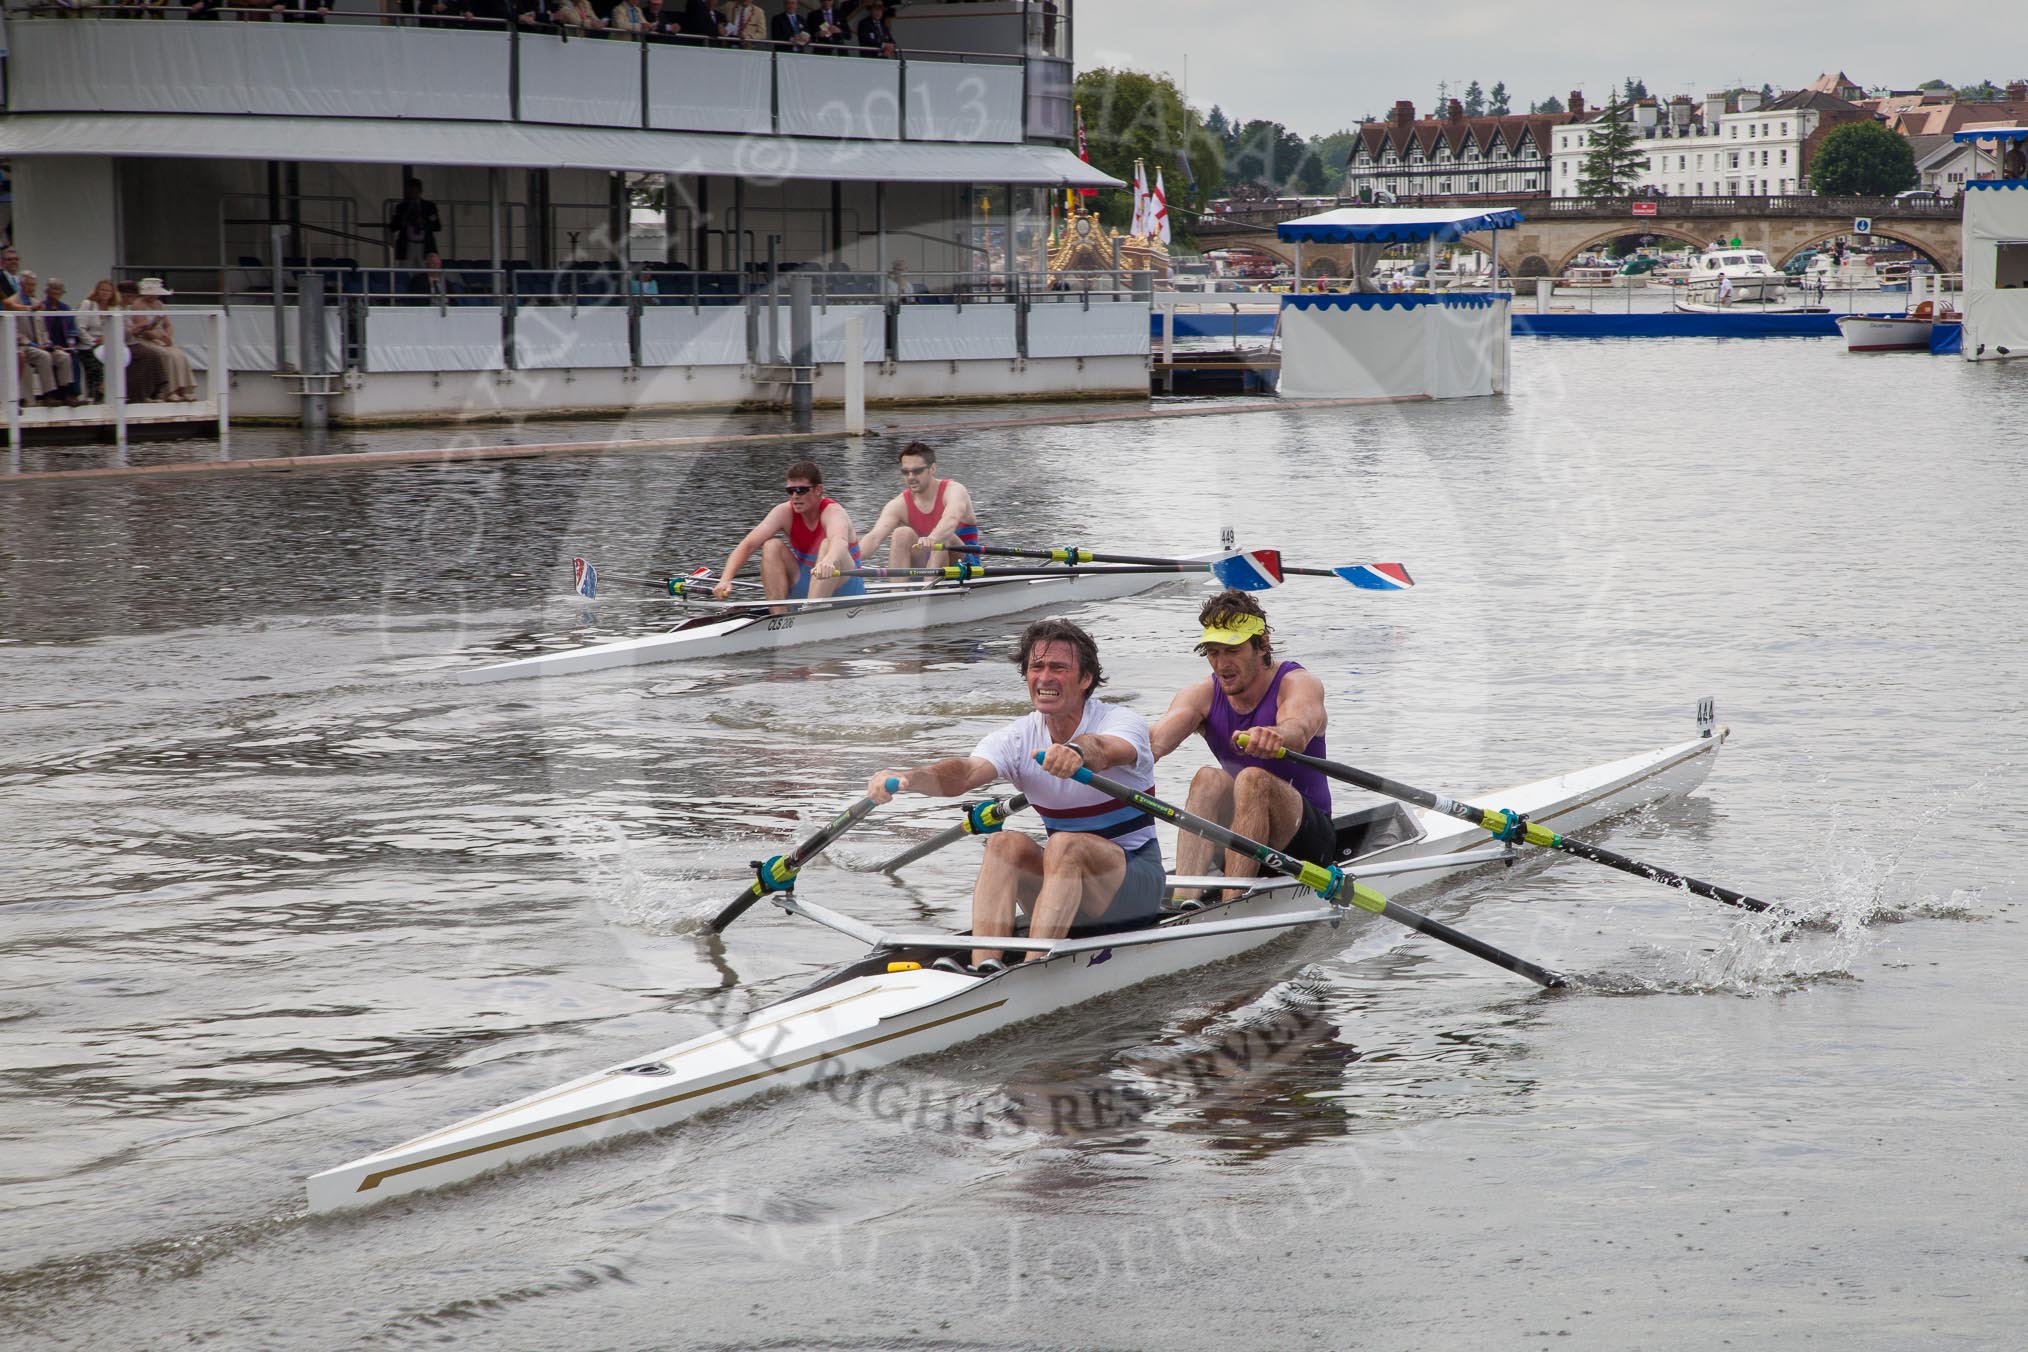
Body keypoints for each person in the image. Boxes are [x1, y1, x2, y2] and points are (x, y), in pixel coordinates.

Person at [867, 619, 1165, 970]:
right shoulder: (1018, 737)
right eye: (1036, 667)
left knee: (1065, 844)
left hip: (1135, 889)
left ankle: (1032, 970)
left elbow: (1104, 748)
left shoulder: (1119, 721)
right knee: (1002, 844)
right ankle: (985, 966)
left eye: (1058, 667)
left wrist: (1077, 753)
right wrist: (908, 777)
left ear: (1086, 679)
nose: (1045, 677)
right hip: (1068, 887)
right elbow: (964, 774)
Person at [1148, 590, 1332, 901]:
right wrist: (1092, 755)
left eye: (1232, 650)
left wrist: (1276, 735)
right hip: (1243, 834)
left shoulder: (1298, 683)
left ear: (1262, 645)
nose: (1221, 664)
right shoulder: (1201, 694)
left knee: (1251, 778)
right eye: (1213, 651)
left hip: (1307, 841)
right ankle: (1184, 900)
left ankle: (1230, 903)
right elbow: (1152, 742)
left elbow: (1298, 728)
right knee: (1207, 778)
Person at [712, 460, 868, 610]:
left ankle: (809, 614)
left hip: (844, 585)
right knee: (771, 546)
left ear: (818, 490)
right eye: (790, 491)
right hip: (806, 582)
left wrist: (828, 561)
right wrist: (726, 579)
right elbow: (748, 545)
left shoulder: (833, 512)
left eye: (801, 490)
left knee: (828, 544)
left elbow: (839, 541)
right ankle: (780, 620)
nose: (795, 496)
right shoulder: (784, 512)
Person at [856, 440, 981, 569]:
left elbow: (951, 519)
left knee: (944, 536)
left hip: (966, 566)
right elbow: (874, 538)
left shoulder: (954, 490)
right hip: (925, 564)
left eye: (917, 471)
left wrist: (933, 538)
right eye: (905, 472)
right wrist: (845, 560)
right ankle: (900, 589)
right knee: (901, 533)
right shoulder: (899, 504)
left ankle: (929, 588)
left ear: (932, 468)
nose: (910, 477)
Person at [125, 278, 198, 402]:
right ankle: (169, 391)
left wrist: (167, 337)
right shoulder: (138, 305)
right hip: (144, 338)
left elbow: (167, 324)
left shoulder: (159, 304)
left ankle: (183, 390)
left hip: (161, 339)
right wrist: (159, 337)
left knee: (179, 355)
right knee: (167, 355)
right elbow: (142, 327)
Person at [387, 178, 441, 264]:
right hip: (407, 245)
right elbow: (393, 227)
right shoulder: (401, 207)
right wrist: (404, 220)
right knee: (405, 271)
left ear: (420, 191)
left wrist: (424, 222)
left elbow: (437, 226)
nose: (413, 195)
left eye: (415, 192)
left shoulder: (429, 206)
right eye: (411, 192)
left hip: (425, 245)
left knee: (426, 271)